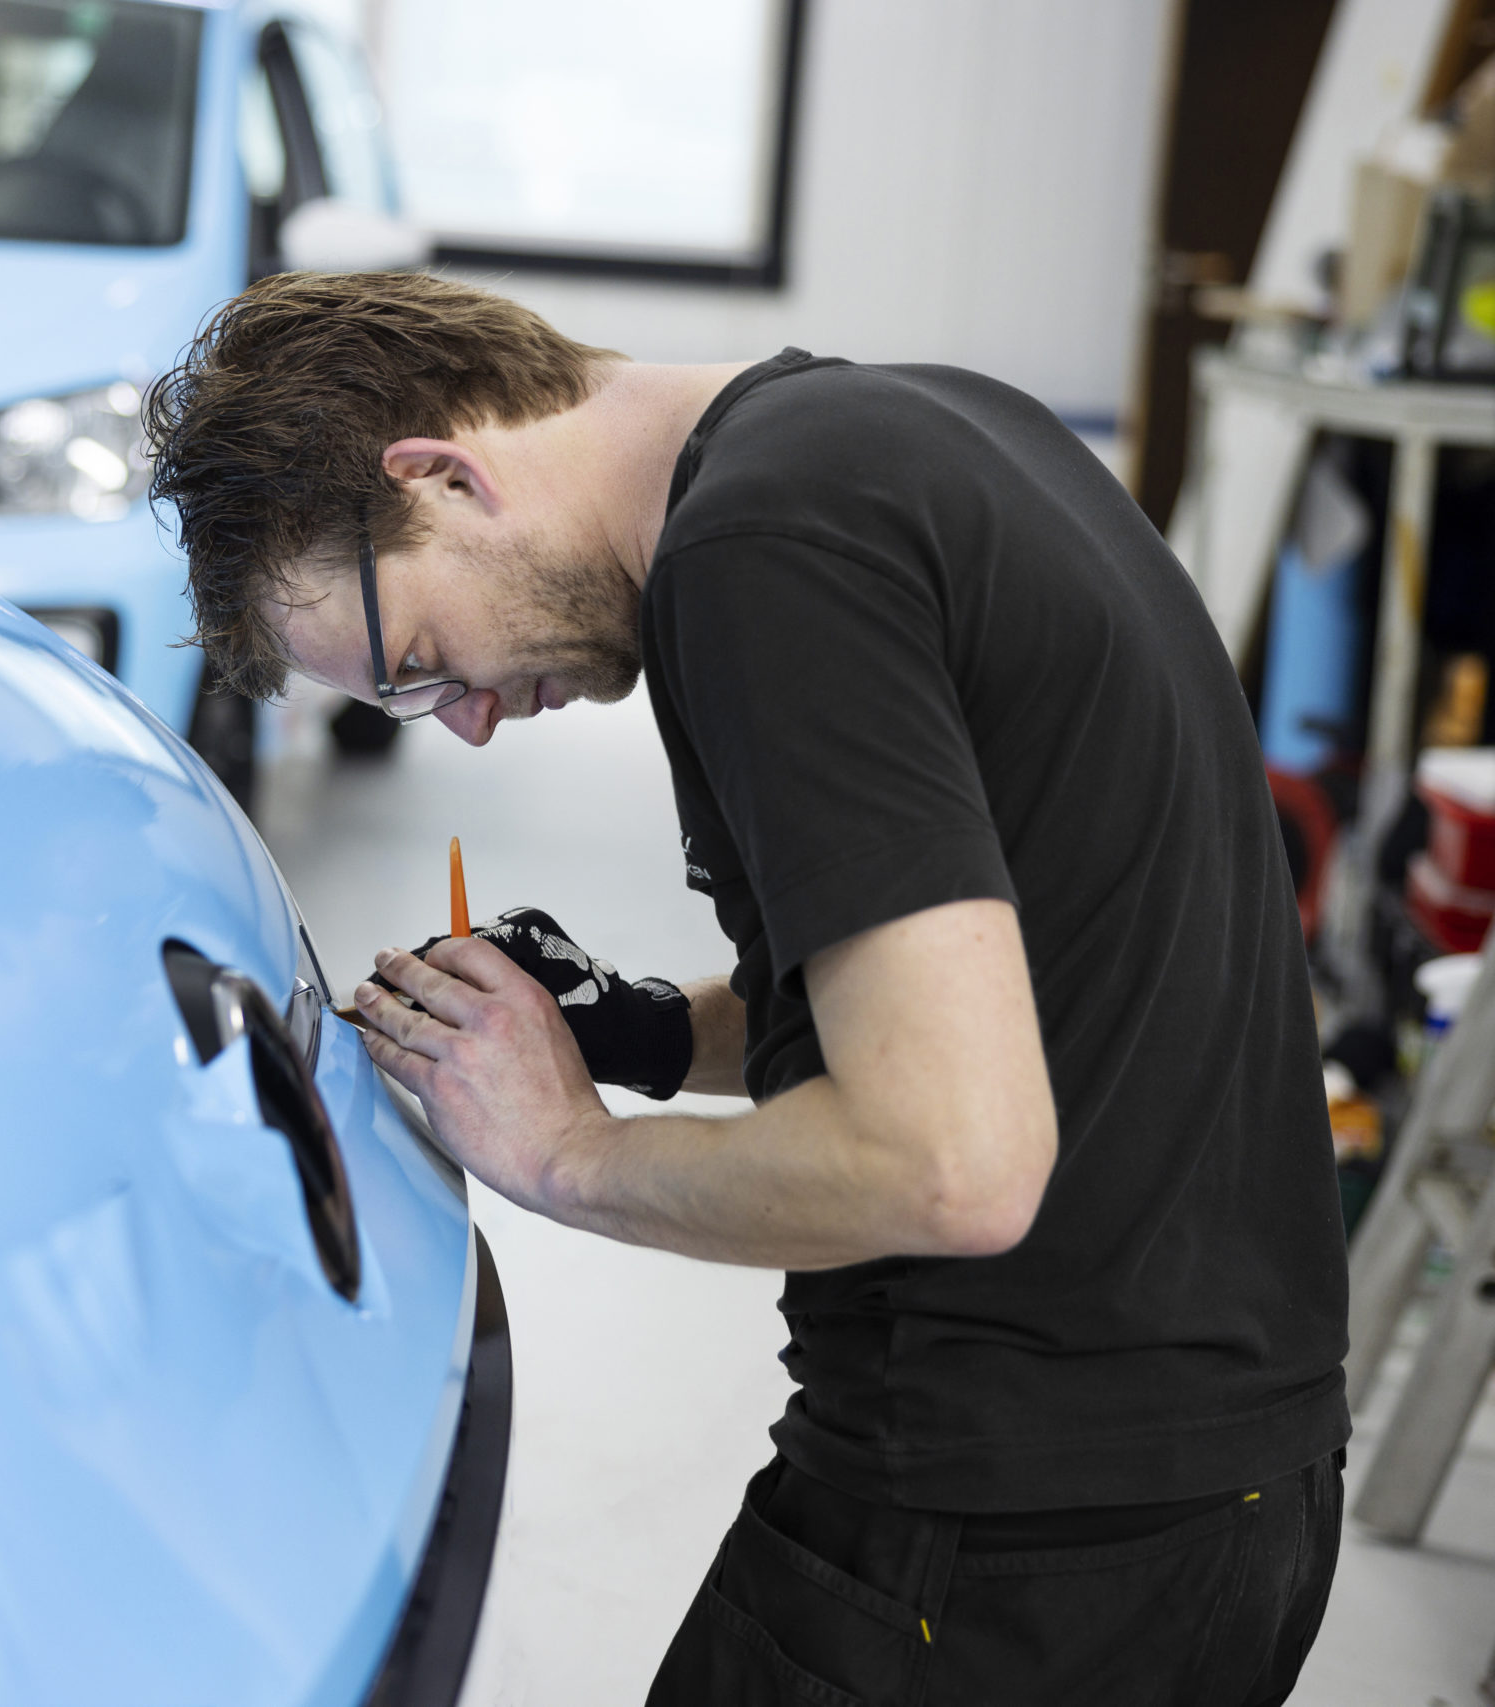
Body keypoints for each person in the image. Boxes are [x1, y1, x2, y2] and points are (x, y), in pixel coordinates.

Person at [143, 272, 1349, 1705]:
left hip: (1012, 1539)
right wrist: (639, 1028)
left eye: (417, 665)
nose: (461, 726)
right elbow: (983, 993)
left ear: (446, 477)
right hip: (1216, 1486)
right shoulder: (919, 432)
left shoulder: (761, 555)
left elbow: (954, 1163)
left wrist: (566, 1152)